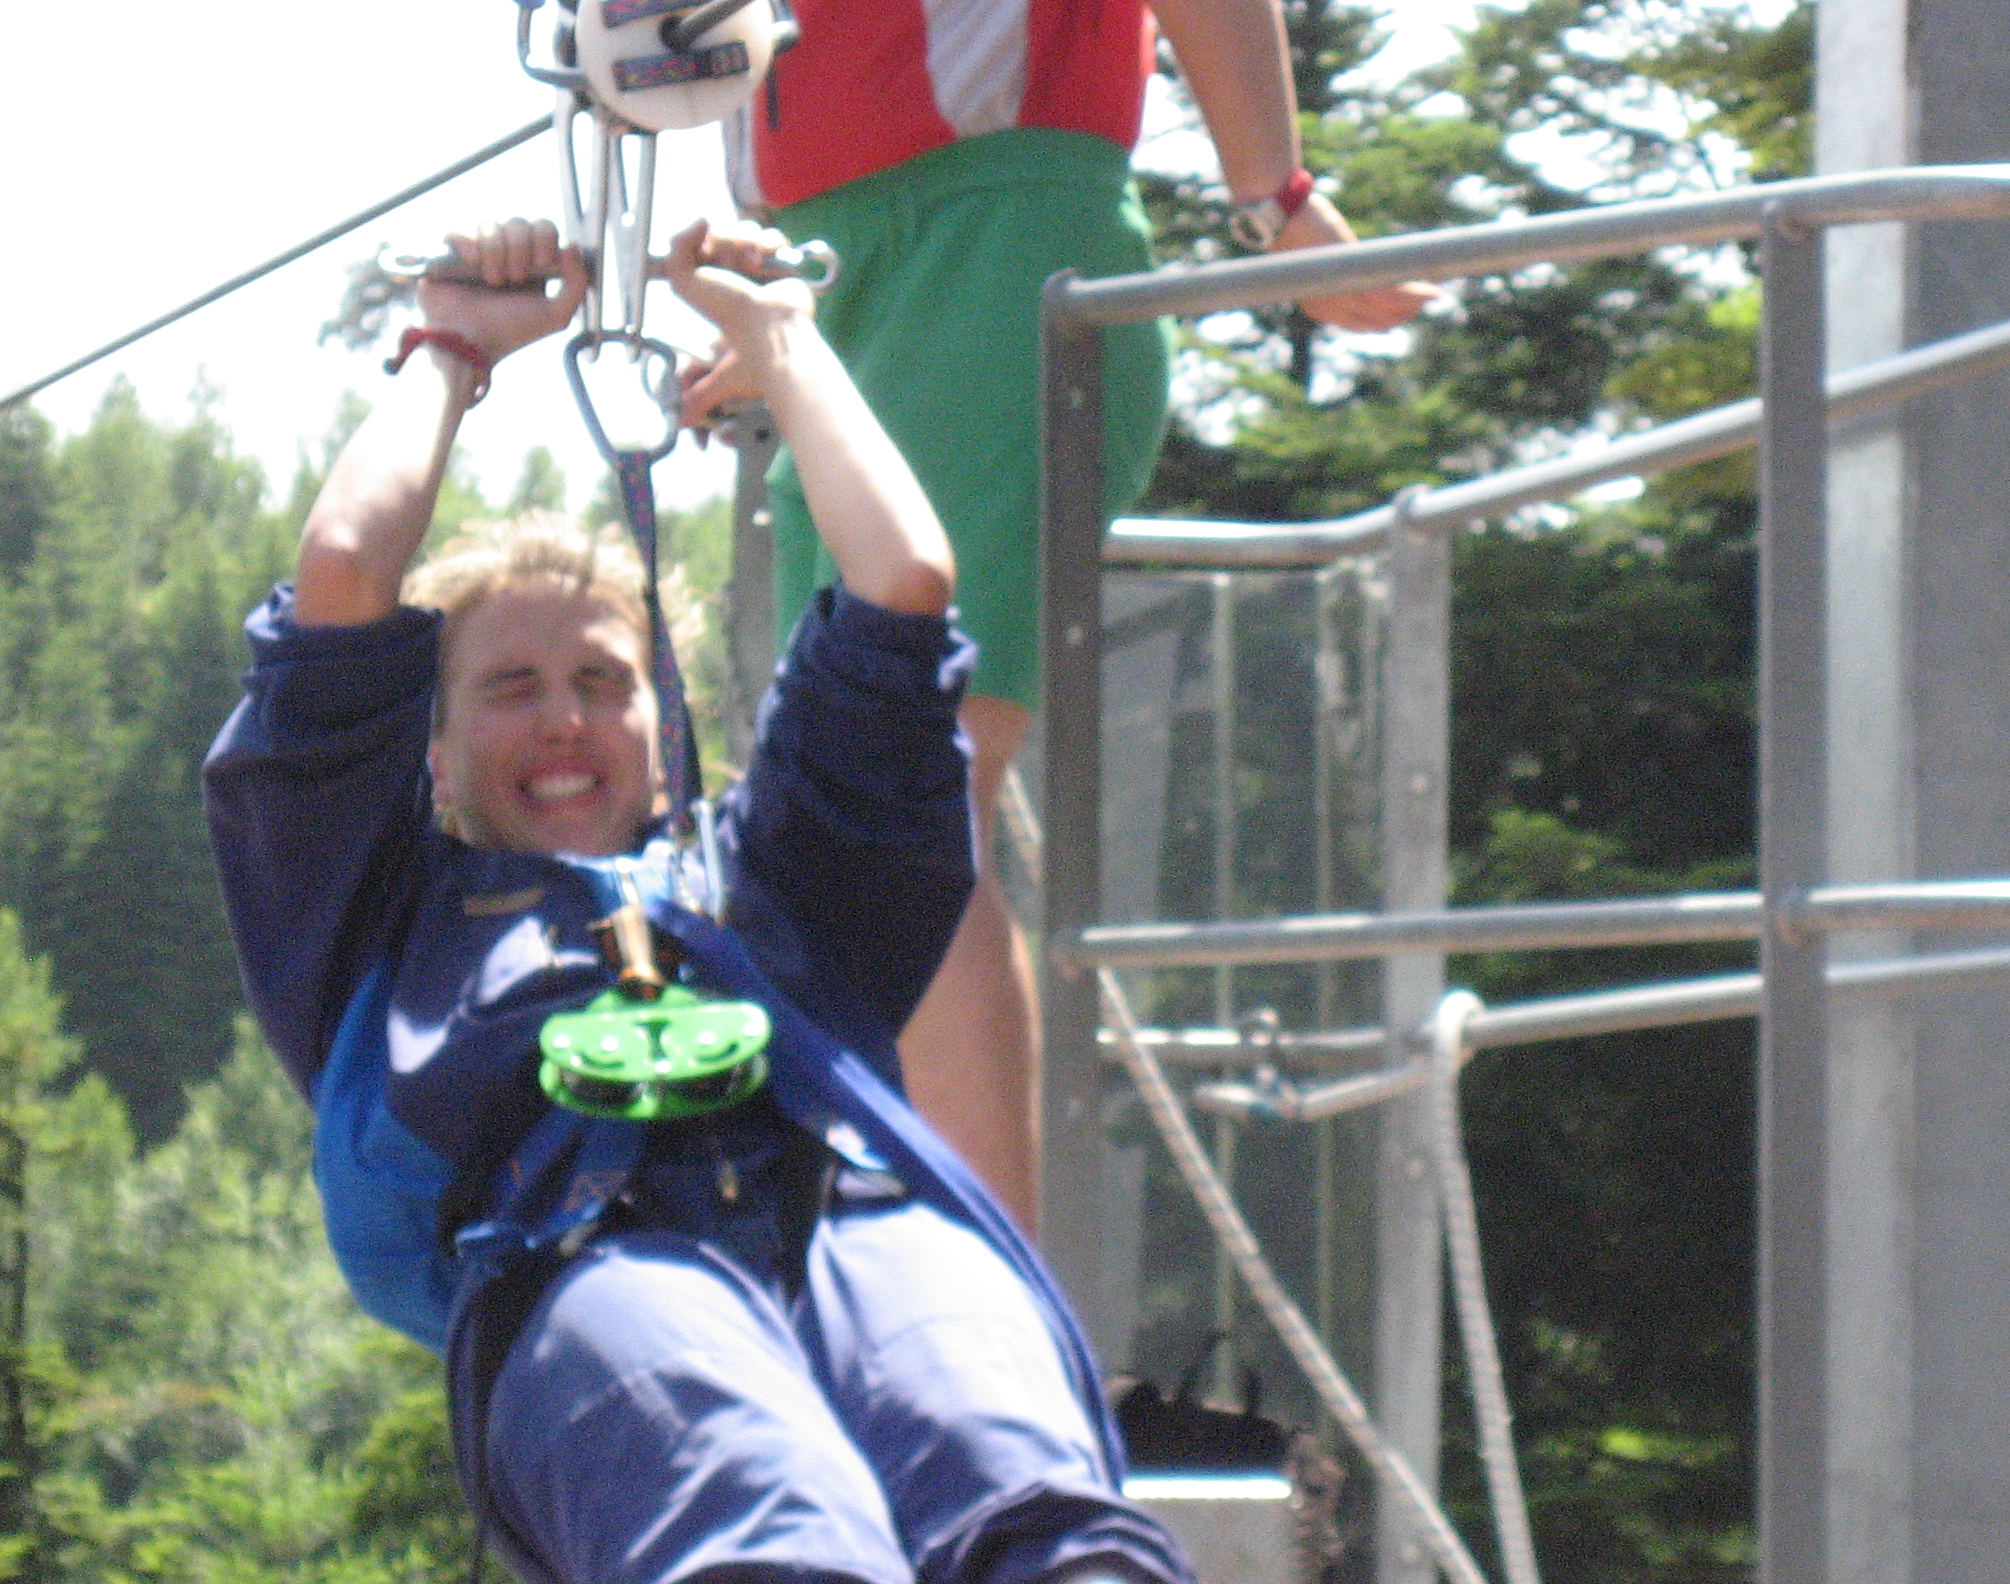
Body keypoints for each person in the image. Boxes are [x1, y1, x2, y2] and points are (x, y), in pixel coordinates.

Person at [202, 216, 1185, 1584]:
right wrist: (450, 352)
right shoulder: (380, 920)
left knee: (1028, 1502)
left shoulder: (774, 881)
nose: (564, 720)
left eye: (603, 684)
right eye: (511, 689)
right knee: (766, 1527)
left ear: (665, 733)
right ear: (434, 753)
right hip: (581, 1255)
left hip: (853, 1215)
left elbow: (903, 582)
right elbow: (346, 580)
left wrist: (782, 341)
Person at [732, 0, 1428, 1226]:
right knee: (845, 808)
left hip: (995, 238)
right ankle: (910, 1278)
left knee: (901, 794)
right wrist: (767, 313)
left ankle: (983, 1298)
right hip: (845, 273)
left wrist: (1273, 195)